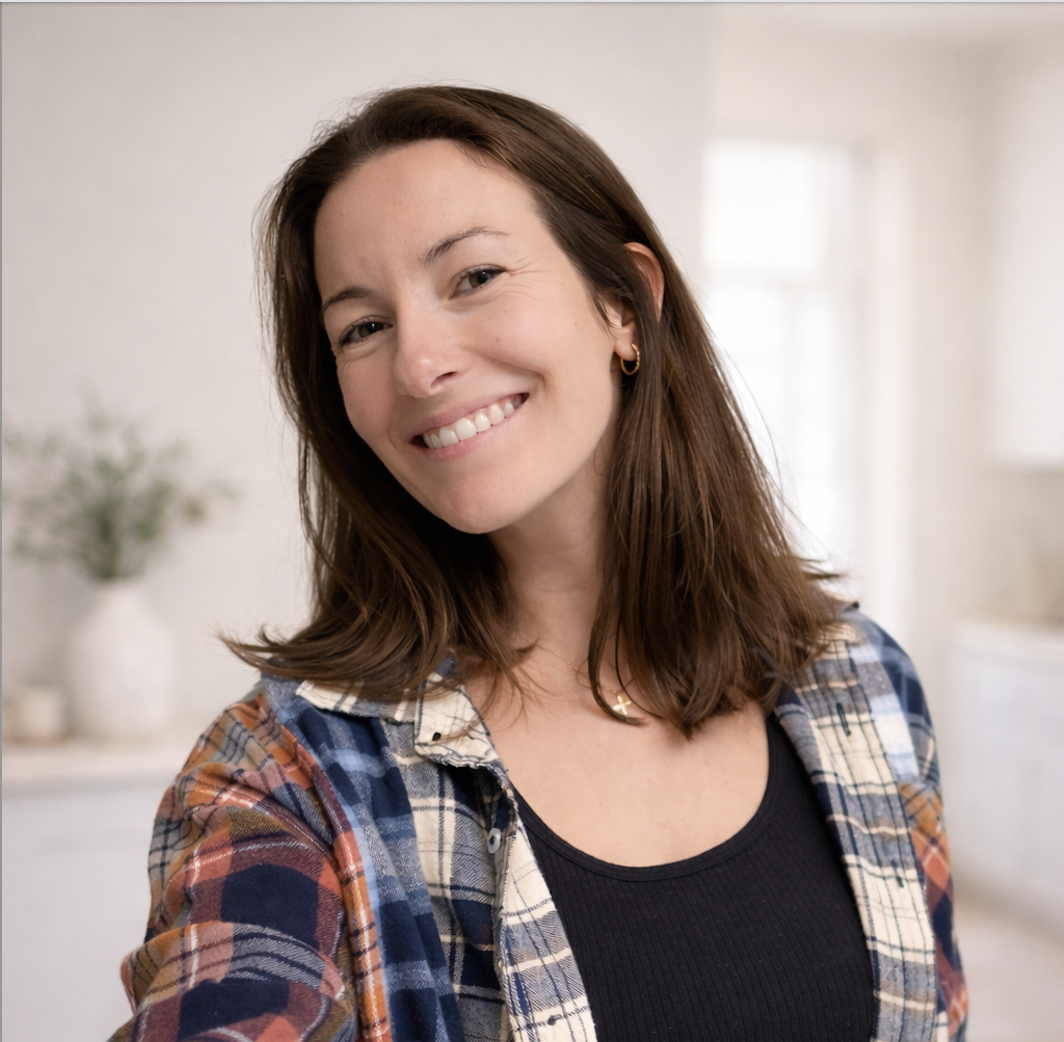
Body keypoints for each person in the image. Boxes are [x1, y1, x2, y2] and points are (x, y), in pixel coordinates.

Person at [111, 86, 967, 1042]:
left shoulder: (865, 684)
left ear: (624, 304)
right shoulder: (283, 780)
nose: (418, 363)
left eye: (473, 277)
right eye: (361, 327)